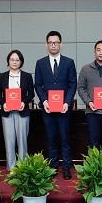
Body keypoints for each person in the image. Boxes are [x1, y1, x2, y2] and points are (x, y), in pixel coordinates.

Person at [34, 31, 77, 180]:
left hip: (64, 108)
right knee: (51, 139)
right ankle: (53, 168)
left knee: (65, 139)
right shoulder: (40, 63)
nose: (53, 45)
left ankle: (66, 168)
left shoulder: (69, 62)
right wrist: (44, 101)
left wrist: (67, 102)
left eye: (56, 42)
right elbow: (38, 85)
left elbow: (72, 84)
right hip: (48, 108)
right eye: (50, 42)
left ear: (61, 44)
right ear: (46, 45)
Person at [0, 49, 35, 170]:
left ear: (21, 62)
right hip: (7, 113)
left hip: (22, 112)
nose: (14, 62)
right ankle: (11, 168)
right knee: (9, 141)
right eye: (12, 59)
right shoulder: (2, 76)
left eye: (17, 60)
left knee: (22, 141)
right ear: (8, 61)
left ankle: (22, 167)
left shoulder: (27, 76)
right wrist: (3, 103)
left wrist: (24, 102)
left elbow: (31, 93)